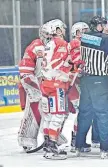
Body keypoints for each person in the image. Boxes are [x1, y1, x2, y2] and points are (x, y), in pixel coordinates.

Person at [74, 15, 108, 159]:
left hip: (86, 80)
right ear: (99, 26)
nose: (105, 27)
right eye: (103, 25)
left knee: (85, 114)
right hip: (100, 80)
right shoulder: (105, 39)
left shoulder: (84, 38)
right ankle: (106, 149)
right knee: (104, 114)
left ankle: (79, 146)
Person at [40, 20, 70, 160]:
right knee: (58, 115)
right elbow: (59, 63)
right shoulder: (61, 43)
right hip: (56, 84)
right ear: (57, 30)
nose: (64, 31)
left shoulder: (48, 44)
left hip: (46, 83)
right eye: (62, 28)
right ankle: (52, 145)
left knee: (48, 116)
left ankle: (47, 143)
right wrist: (70, 66)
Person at [17, 24, 46, 152]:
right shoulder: (35, 47)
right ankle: (26, 139)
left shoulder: (60, 46)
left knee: (55, 114)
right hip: (39, 84)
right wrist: (33, 87)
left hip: (53, 85)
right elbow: (25, 70)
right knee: (34, 110)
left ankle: (52, 139)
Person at [68, 21, 93, 152]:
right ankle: (76, 139)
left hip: (79, 82)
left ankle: (79, 139)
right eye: (81, 31)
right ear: (75, 33)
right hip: (74, 83)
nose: (84, 34)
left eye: (85, 31)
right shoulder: (75, 43)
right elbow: (75, 64)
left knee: (85, 112)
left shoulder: (85, 44)